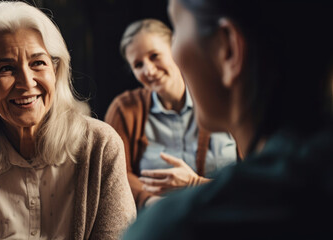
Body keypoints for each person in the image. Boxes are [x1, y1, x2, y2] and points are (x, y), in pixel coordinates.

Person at [123, 0, 333, 239]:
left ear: (228, 49)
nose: (149, 70)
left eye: (177, 27)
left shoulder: (174, 227)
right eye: (138, 64)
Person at [0, 1, 135, 239]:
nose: (26, 82)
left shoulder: (101, 147)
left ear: (56, 70)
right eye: (6, 68)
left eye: (38, 63)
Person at [104, 18, 238, 209]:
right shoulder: (124, 109)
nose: (149, 70)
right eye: (138, 65)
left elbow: (256, 177)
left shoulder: (221, 95)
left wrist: (195, 184)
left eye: (154, 56)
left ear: (175, 49)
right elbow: (114, 174)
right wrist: (150, 201)